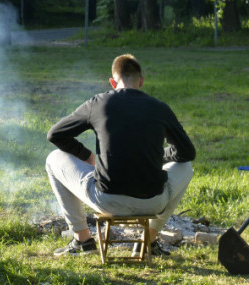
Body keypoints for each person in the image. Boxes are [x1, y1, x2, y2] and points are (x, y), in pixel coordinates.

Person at [46, 54, 195, 257]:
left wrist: (87, 155)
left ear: (113, 82)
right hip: (153, 201)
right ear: (141, 81)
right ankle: (148, 241)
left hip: (106, 199)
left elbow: (55, 134)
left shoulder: (98, 103)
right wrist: (156, 157)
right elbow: (187, 152)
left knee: (53, 158)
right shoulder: (160, 108)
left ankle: (82, 240)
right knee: (185, 168)